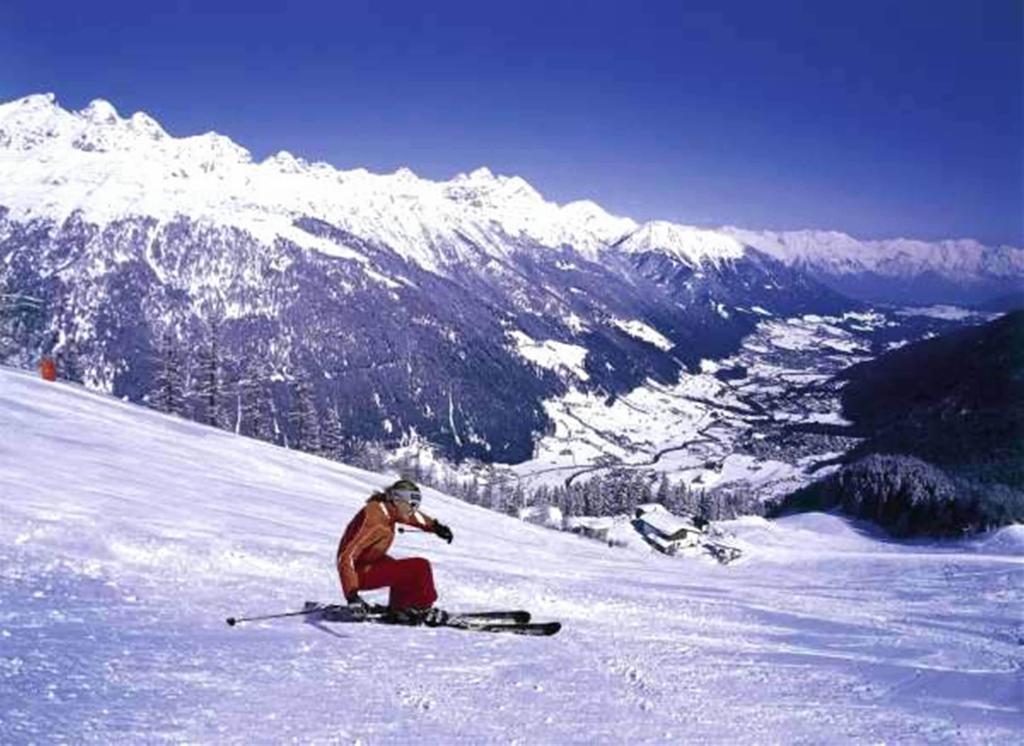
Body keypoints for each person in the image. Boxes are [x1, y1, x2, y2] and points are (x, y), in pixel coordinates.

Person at [336, 479, 454, 624]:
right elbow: (346, 557)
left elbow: (413, 517)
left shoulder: (388, 510)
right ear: (397, 500)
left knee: (400, 569)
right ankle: (423, 610)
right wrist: (352, 595)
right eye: (411, 505)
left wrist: (435, 527)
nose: (413, 509)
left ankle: (400, 608)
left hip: (369, 561)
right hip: (355, 572)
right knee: (420, 567)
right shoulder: (373, 519)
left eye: (416, 505)